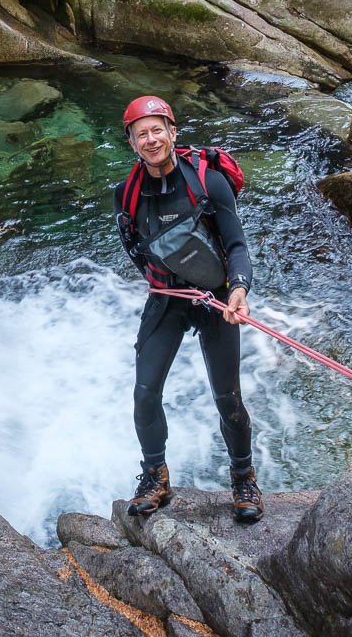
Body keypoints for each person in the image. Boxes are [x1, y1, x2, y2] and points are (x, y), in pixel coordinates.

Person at [112, 95, 263, 524]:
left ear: (173, 133)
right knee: (144, 392)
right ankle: (155, 475)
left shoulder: (207, 182)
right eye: (142, 133)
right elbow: (137, 252)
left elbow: (236, 245)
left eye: (158, 129)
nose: (151, 138)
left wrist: (238, 288)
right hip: (167, 299)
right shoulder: (127, 195)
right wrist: (167, 286)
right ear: (132, 143)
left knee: (227, 397)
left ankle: (242, 478)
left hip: (215, 299)